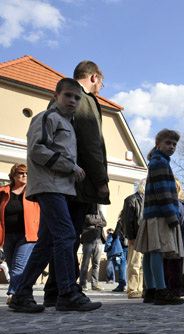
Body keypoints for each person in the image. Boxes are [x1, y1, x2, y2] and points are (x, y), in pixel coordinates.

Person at [9, 78, 101, 312]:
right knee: (66, 235)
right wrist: (70, 167)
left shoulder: (66, 123)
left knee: (47, 242)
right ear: (56, 95)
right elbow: (37, 149)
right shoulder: (47, 117)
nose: (73, 101)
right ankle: (68, 292)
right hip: (49, 186)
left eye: (77, 98)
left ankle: (21, 293)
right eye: (68, 95)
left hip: (59, 187)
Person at [43, 60, 111, 306]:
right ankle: (67, 291)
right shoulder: (84, 99)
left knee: (56, 238)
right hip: (77, 181)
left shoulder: (60, 99)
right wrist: (100, 179)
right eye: (101, 83)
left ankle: (54, 290)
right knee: (68, 237)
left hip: (57, 180)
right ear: (94, 78)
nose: (101, 89)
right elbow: (91, 142)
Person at [134, 129, 184, 305]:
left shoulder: (156, 162)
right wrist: (172, 215)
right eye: (168, 143)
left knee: (149, 252)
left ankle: (151, 290)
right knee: (156, 250)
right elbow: (163, 192)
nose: (171, 146)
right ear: (158, 144)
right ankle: (161, 290)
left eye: (174, 144)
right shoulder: (160, 163)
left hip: (151, 214)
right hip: (160, 214)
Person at [0, 164, 40, 303]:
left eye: (27, 173)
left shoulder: (33, 192)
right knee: (12, 267)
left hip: (27, 235)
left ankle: (14, 294)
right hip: (7, 236)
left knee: (18, 266)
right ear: (13, 175)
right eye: (21, 172)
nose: (24, 175)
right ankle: (21, 292)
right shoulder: (3, 192)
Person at [121, 179, 145, 298]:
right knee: (134, 264)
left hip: (146, 237)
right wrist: (130, 236)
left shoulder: (149, 201)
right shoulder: (131, 199)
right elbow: (127, 220)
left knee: (143, 265)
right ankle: (132, 289)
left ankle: (140, 289)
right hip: (136, 236)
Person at [79, 205, 106, 290]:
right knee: (85, 263)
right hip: (88, 239)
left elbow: (105, 223)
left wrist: (97, 222)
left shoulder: (99, 212)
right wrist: (99, 221)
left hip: (99, 240)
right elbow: (89, 220)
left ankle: (95, 284)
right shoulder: (86, 210)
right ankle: (83, 284)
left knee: (96, 263)